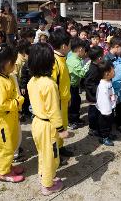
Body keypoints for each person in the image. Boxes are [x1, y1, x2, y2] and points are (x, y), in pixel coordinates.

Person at [27, 43, 70, 196]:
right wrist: (61, 129)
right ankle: (48, 184)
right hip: (47, 125)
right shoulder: (50, 84)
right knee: (51, 156)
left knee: (42, 153)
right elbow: (53, 110)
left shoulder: (32, 80)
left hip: (37, 122)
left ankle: (43, 175)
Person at [0, 44, 25, 182]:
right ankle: (3, 172)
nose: (15, 65)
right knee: (5, 146)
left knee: (11, 142)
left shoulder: (6, 77)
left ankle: (8, 166)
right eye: (14, 62)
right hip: (2, 120)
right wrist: (17, 102)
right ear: (7, 63)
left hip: (9, 117)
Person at [50, 29, 73, 158]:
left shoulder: (62, 58)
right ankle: (55, 153)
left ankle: (60, 146)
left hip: (64, 100)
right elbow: (52, 85)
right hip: (57, 101)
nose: (70, 46)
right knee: (57, 127)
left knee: (63, 124)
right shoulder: (55, 61)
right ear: (64, 46)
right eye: (69, 44)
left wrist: (68, 97)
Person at [66, 38, 90, 130]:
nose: (85, 52)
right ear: (80, 49)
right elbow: (82, 73)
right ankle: (71, 121)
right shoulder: (74, 61)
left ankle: (75, 118)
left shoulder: (73, 56)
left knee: (77, 102)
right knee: (72, 104)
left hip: (75, 85)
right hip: (71, 86)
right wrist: (88, 64)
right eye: (84, 50)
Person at [95, 60, 117, 146]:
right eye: (113, 70)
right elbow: (103, 100)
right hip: (104, 111)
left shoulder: (108, 82)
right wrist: (107, 111)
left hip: (109, 108)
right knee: (104, 125)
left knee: (109, 124)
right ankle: (104, 137)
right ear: (107, 73)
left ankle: (108, 134)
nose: (114, 71)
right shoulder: (103, 87)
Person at [84, 46, 104, 136]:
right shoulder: (93, 69)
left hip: (97, 95)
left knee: (97, 111)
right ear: (99, 58)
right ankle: (92, 128)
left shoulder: (96, 66)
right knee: (93, 112)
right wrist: (98, 89)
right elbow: (88, 83)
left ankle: (97, 125)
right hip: (93, 96)